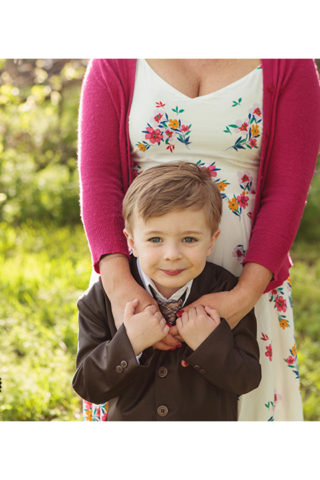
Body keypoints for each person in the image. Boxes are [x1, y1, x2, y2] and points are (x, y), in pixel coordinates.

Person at [78, 59, 320, 421]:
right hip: (136, 276)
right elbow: (99, 176)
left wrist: (243, 296)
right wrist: (120, 287)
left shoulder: (288, 62)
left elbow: (287, 187)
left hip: (245, 278)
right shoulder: (116, 57)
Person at [73, 162, 261, 420]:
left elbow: (247, 379)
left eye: (189, 239)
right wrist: (129, 343)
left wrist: (209, 344)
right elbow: (87, 386)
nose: (172, 255)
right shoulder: (101, 297)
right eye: (155, 239)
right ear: (131, 242)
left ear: (211, 241)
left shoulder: (227, 291)